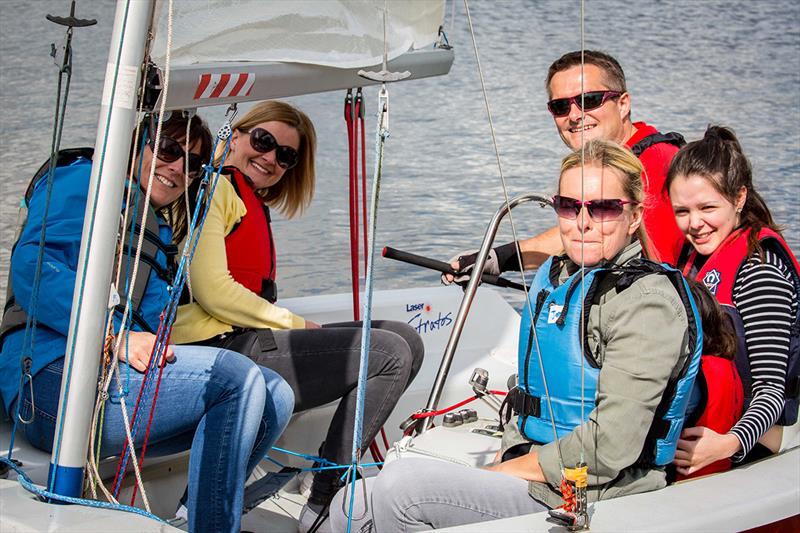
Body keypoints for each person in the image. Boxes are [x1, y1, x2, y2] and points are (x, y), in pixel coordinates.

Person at [329, 139, 702, 532]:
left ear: (635, 214)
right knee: (350, 503)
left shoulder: (646, 305)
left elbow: (609, 446)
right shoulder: (559, 278)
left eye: (604, 207)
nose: (583, 221)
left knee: (401, 492)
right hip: (536, 468)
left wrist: (505, 470)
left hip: (593, 493)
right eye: (569, 206)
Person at [0, 113, 294, 533]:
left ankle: (195, 517)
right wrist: (111, 335)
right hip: (49, 383)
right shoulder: (87, 181)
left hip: (110, 385)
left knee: (274, 392)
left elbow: (159, 325)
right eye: (169, 149)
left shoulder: (152, 229)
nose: (178, 168)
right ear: (136, 145)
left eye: (192, 165)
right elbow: (34, 268)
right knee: (236, 379)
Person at [169, 100, 424, 530]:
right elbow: (212, 292)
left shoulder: (246, 200)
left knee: (406, 339)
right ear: (236, 136)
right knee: (387, 354)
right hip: (215, 352)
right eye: (263, 141)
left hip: (246, 341)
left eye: (285, 155)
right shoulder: (214, 190)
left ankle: (324, 484)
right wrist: (293, 323)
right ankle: (326, 498)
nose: (270, 158)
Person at [444, 50, 686, 286]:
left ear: (623, 104)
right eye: (561, 106)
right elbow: (582, 232)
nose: (574, 115)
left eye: (589, 101)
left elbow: (659, 265)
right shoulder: (613, 161)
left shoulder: (655, 161)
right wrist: (495, 258)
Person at [667, 125, 800, 475]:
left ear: (739, 198)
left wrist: (725, 445)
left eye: (707, 207)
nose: (695, 224)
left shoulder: (760, 272)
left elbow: (771, 391)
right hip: (704, 419)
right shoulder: (691, 259)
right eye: (682, 211)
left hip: (753, 443)